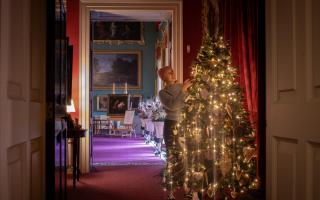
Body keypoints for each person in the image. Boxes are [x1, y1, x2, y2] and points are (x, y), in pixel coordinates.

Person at [158, 66, 192, 200]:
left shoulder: (180, 86)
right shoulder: (162, 93)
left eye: (172, 71)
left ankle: (188, 188)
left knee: (187, 157)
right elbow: (173, 106)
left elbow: (189, 103)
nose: (172, 74)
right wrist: (183, 90)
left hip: (184, 124)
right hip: (171, 125)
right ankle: (171, 190)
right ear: (163, 78)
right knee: (172, 157)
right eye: (168, 73)